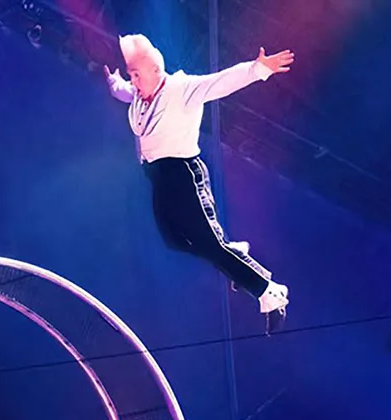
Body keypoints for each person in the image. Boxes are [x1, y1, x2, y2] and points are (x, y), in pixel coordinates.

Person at [105, 34, 294, 333]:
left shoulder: (181, 89)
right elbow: (128, 93)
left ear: (156, 70)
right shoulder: (142, 97)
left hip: (183, 174)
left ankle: (270, 292)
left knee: (210, 244)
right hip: (159, 177)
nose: (134, 81)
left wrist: (259, 68)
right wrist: (117, 86)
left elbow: (220, 82)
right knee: (174, 240)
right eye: (132, 75)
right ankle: (233, 254)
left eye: (137, 75)